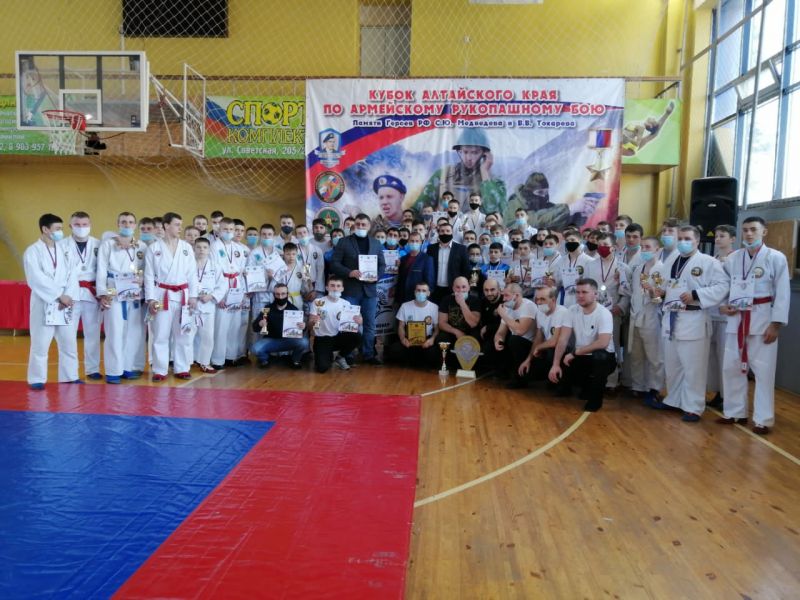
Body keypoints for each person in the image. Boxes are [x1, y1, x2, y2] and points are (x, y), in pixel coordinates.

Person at [718, 217, 790, 434]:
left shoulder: (776, 258)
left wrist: (776, 324)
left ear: (764, 232)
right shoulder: (733, 259)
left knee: (763, 371)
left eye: (753, 230)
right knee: (731, 367)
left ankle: (763, 419)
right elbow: (722, 286)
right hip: (736, 318)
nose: (749, 234)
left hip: (762, 319)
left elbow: (783, 293)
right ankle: (734, 412)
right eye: (745, 230)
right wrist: (722, 305)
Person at [650, 225, 728, 421]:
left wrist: (696, 294)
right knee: (673, 365)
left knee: (694, 368)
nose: (683, 242)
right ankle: (673, 400)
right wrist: (661, 292)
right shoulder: (671, 260)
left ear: (697, 241)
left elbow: (723, 286)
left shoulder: (708, 262)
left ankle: (693, 406)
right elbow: (666, 285)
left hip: (694, 318)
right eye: (681, 238)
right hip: (671, 318)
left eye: (688, 239)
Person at [24, 213, 80, 389]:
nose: (60, 232)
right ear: (45, 229)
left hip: (65, 302)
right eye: (57, 229)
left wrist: (68, 295)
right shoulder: (33, 251)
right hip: (44, 301)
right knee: (40, 343)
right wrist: (58, 295)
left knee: (69, 342)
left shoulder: (65, 250)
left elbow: (73, 274)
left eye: (61, 228)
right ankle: (37, 379)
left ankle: (70, 376)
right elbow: (35, 278)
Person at [144, 212, 199, 381]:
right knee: (160, 334)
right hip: (162, 295)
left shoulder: (186, 247)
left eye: (181, 225)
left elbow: (192, 274)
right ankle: (160, 369)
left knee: (183, 334)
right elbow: (148, 275)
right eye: (177, 224)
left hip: (183, 296)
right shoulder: (154, 248)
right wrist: (151, 299)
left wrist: (193, 296)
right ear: (166, 226)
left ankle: (182, 367)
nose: (180, 228)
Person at [549, 279, 617, 412]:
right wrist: (555, 364)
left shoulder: (604, 314)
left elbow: (603, 343)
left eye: (584, 292)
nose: (580, 295)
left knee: (599, 357)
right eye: (578, 292)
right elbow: (563, 339)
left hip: (603, 357)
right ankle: (576, 387)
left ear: (595, 294)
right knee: (559, 356)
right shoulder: (572, 310)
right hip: (582, 355)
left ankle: (595, 400)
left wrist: (575, 353)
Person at [96, 212, 147, 383]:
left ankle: (127, 367)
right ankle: (113, 371)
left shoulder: (141, 246)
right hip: (114, 291)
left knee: (133, 332)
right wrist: (102, 292)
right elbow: (101, 269)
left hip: (133, 292)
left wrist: (143, 279)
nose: (127, 225)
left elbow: (147, 269)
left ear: (135, 225)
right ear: (118, 224)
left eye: (131, 222)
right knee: (115, 331)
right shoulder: (108, 244)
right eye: (123, 222)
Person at [329, 213, 386, 364]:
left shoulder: (376, 243)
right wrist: (349, 272)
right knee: (349, 323)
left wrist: (377, 276)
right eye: (358, 224)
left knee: (369, 324)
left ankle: (368, 354)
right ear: (354, 225)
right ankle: (348, 354)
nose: (360, 227)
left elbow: (382, 265)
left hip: (369, 291)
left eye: (363, 224)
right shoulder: (343, 242)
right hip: (350, 290)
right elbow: (334, 264)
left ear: (369, 226)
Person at [413, 129, 507, 214]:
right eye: (465, 152)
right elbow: (418, 209)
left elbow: (497, 212)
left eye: (475, 152)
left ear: (484, 154)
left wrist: (484, 173)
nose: (469, 158)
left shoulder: (495, 182)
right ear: (460, 151)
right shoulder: (443, 175)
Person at [584, 231, 631, 387]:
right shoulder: (590, 265)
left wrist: (620, 307)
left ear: (614, 247)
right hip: (593, 310)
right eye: (599, 245)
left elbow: (627, 293)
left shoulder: (623, 267)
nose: (601, 248)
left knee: (612, 345)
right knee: (591, 342)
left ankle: (611, 381)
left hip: (612, 312)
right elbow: (586, 287)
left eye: (605, 245)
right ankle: (593, 378)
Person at [60, 211, 102, 380]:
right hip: (70, 295)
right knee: (68, 336)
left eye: (85, 224)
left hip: (91, 294)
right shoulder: (61, 245)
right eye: (77, 224)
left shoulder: (99, 244)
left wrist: (103, 292)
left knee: (93, 334)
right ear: (70, 226)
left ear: (90, 225)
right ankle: (70, 374)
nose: (81, 228)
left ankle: (92, 369)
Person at [628, 236, 665, 405]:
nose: (644, 250)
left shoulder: (661, 269)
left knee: (654, 355)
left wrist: (651, 291)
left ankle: (654, 388)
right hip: (636, 314)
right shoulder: (638, 269)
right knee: (636, 354)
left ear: (657, 249)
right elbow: (634, 293)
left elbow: (659, 299)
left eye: (648, 247)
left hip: (651, 316)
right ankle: (638, 386)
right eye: (642, 247)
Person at [210, 217, 248, 369]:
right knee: (221, 326)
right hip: (222, 285)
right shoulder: (214, 246)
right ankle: (218, 359)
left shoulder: (238, 248)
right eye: (225, 229)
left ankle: (231, 357)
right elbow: (212, 272)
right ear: (219, 230)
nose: (228, 232)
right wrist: (217, 296)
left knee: (235, 324)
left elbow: (242, 272)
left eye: (231, 229)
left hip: (236, 285)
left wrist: (242, 293)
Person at [707, 224, 736, 408]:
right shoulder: (712, 259)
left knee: (726, 357)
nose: (718, 239)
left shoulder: (736, 259)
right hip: (711, 313)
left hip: (726, 315)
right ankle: (718, 392)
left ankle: (729, 396)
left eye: (722, 236)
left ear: (732, 238)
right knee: (712, 358)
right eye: (716, 236)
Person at [308, 276, 364, 372]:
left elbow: (358, 321)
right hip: (322, 339)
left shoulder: (346, 304)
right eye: (332, 285)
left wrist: (360, 321)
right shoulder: (318, 302)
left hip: (339, 337)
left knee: (357, 336)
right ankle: (328, 356)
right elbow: (309, 326)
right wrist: (313, 322)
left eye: (338, 286)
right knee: (322, 368)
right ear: (327, 287)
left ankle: (340, 356)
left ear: (342, 288)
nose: (335, 288)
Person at [518, 285, 570, 383]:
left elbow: (554, 341)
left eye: (542, 299)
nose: (538, 302)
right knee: (517, 342)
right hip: (546, 348)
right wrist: (528, 359)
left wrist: (539, 347)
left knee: (551, 350)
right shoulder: (539, 312)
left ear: (553, 300)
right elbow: (538, 337)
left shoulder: (562, 312)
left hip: (564, 351)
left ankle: (559, 382)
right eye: (537, 299)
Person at [250, 283, 309, 368]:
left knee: (304, 342)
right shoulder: (267, 308)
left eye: (283, 294)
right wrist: (260, 323)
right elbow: (254, 327)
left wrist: (303, 327)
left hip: (288, 341)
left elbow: (300, 332)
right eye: (277, 294)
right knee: (255, 349)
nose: (280, 297)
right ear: (274, 295)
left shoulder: (294, 309)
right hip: (271, 340)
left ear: (287, 294)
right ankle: (264, 360)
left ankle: (295, 360)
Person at [494, 283, 538, 388]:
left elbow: (520, 330)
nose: (503, 299)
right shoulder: (507, 308)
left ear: (516, 295)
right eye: (503, 296)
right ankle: (504, 373)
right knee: (501, 343)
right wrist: (498, 340)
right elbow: (500, 332)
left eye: (506, 296)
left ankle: (521, 379)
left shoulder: (528, 305)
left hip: (532, 346)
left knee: (514, 340)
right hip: (517, 344)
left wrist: (503, 315)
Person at [386, 282, 440, 367]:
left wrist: (432, 339)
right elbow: (401, 326)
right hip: (409, 340)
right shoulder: (405, 306)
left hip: (426, 341)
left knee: (433, 355)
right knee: (394, 350)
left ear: (428, 293)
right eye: (418, 290)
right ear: (415, 292)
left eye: (424, 291)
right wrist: (403, 339)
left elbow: (437, 329)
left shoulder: (434, 307)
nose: (421, 293)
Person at [434, 276, 481, 371]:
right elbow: (442, 323)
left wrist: (462, 303)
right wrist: (456, 332)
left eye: (464, 287)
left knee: (474, 338)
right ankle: (447, 365)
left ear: (468, 287)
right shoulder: (446, 300)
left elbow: (473, 323)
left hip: (470, 332)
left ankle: (467, 366)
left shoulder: (475, 300)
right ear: (453, 288)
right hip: (452, 331)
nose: (461, 290)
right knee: (441, 338)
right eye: (458, 287)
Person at [193, 237, 225, 374]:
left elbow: (222, 286)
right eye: (198, 247)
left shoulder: (215, 266)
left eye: (205, 247)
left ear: (209, 250)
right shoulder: (188, 264)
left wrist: (211, 296)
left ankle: (205, 362)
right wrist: (191, 296)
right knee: (187, 336)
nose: (201, 250)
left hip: (208, 305)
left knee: (207, 336)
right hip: (191, 305)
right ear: (194, 248)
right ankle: (186, 363)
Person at [427, 221, 471, 304]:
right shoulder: (431, 249)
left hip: (453, 289)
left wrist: (462, 288)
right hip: (435, 289)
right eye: (442, 231)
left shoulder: (461, 249)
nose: (445, 233)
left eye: (448, 231)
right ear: (438, 233)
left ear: (452, 233)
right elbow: (428, 269)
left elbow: (466, 270)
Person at [396, 231, 435, 306]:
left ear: (421, 242)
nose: (414, 243)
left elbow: (430, 281)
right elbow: (400, 278)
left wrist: (425, 297)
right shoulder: (403, 259)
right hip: (402, 297)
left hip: (418, 297)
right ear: (408, 242)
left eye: (417, 241)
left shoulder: (427, 259)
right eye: (412, 241)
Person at [557, 230, 592, 307]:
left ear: (580, 241)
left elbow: (591, 282)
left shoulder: (589, 261)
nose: (570, 242)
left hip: (581, 297)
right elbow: (557, 280)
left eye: (572, 240)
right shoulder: (561, 260)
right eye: (567, 241)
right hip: (563, 297)